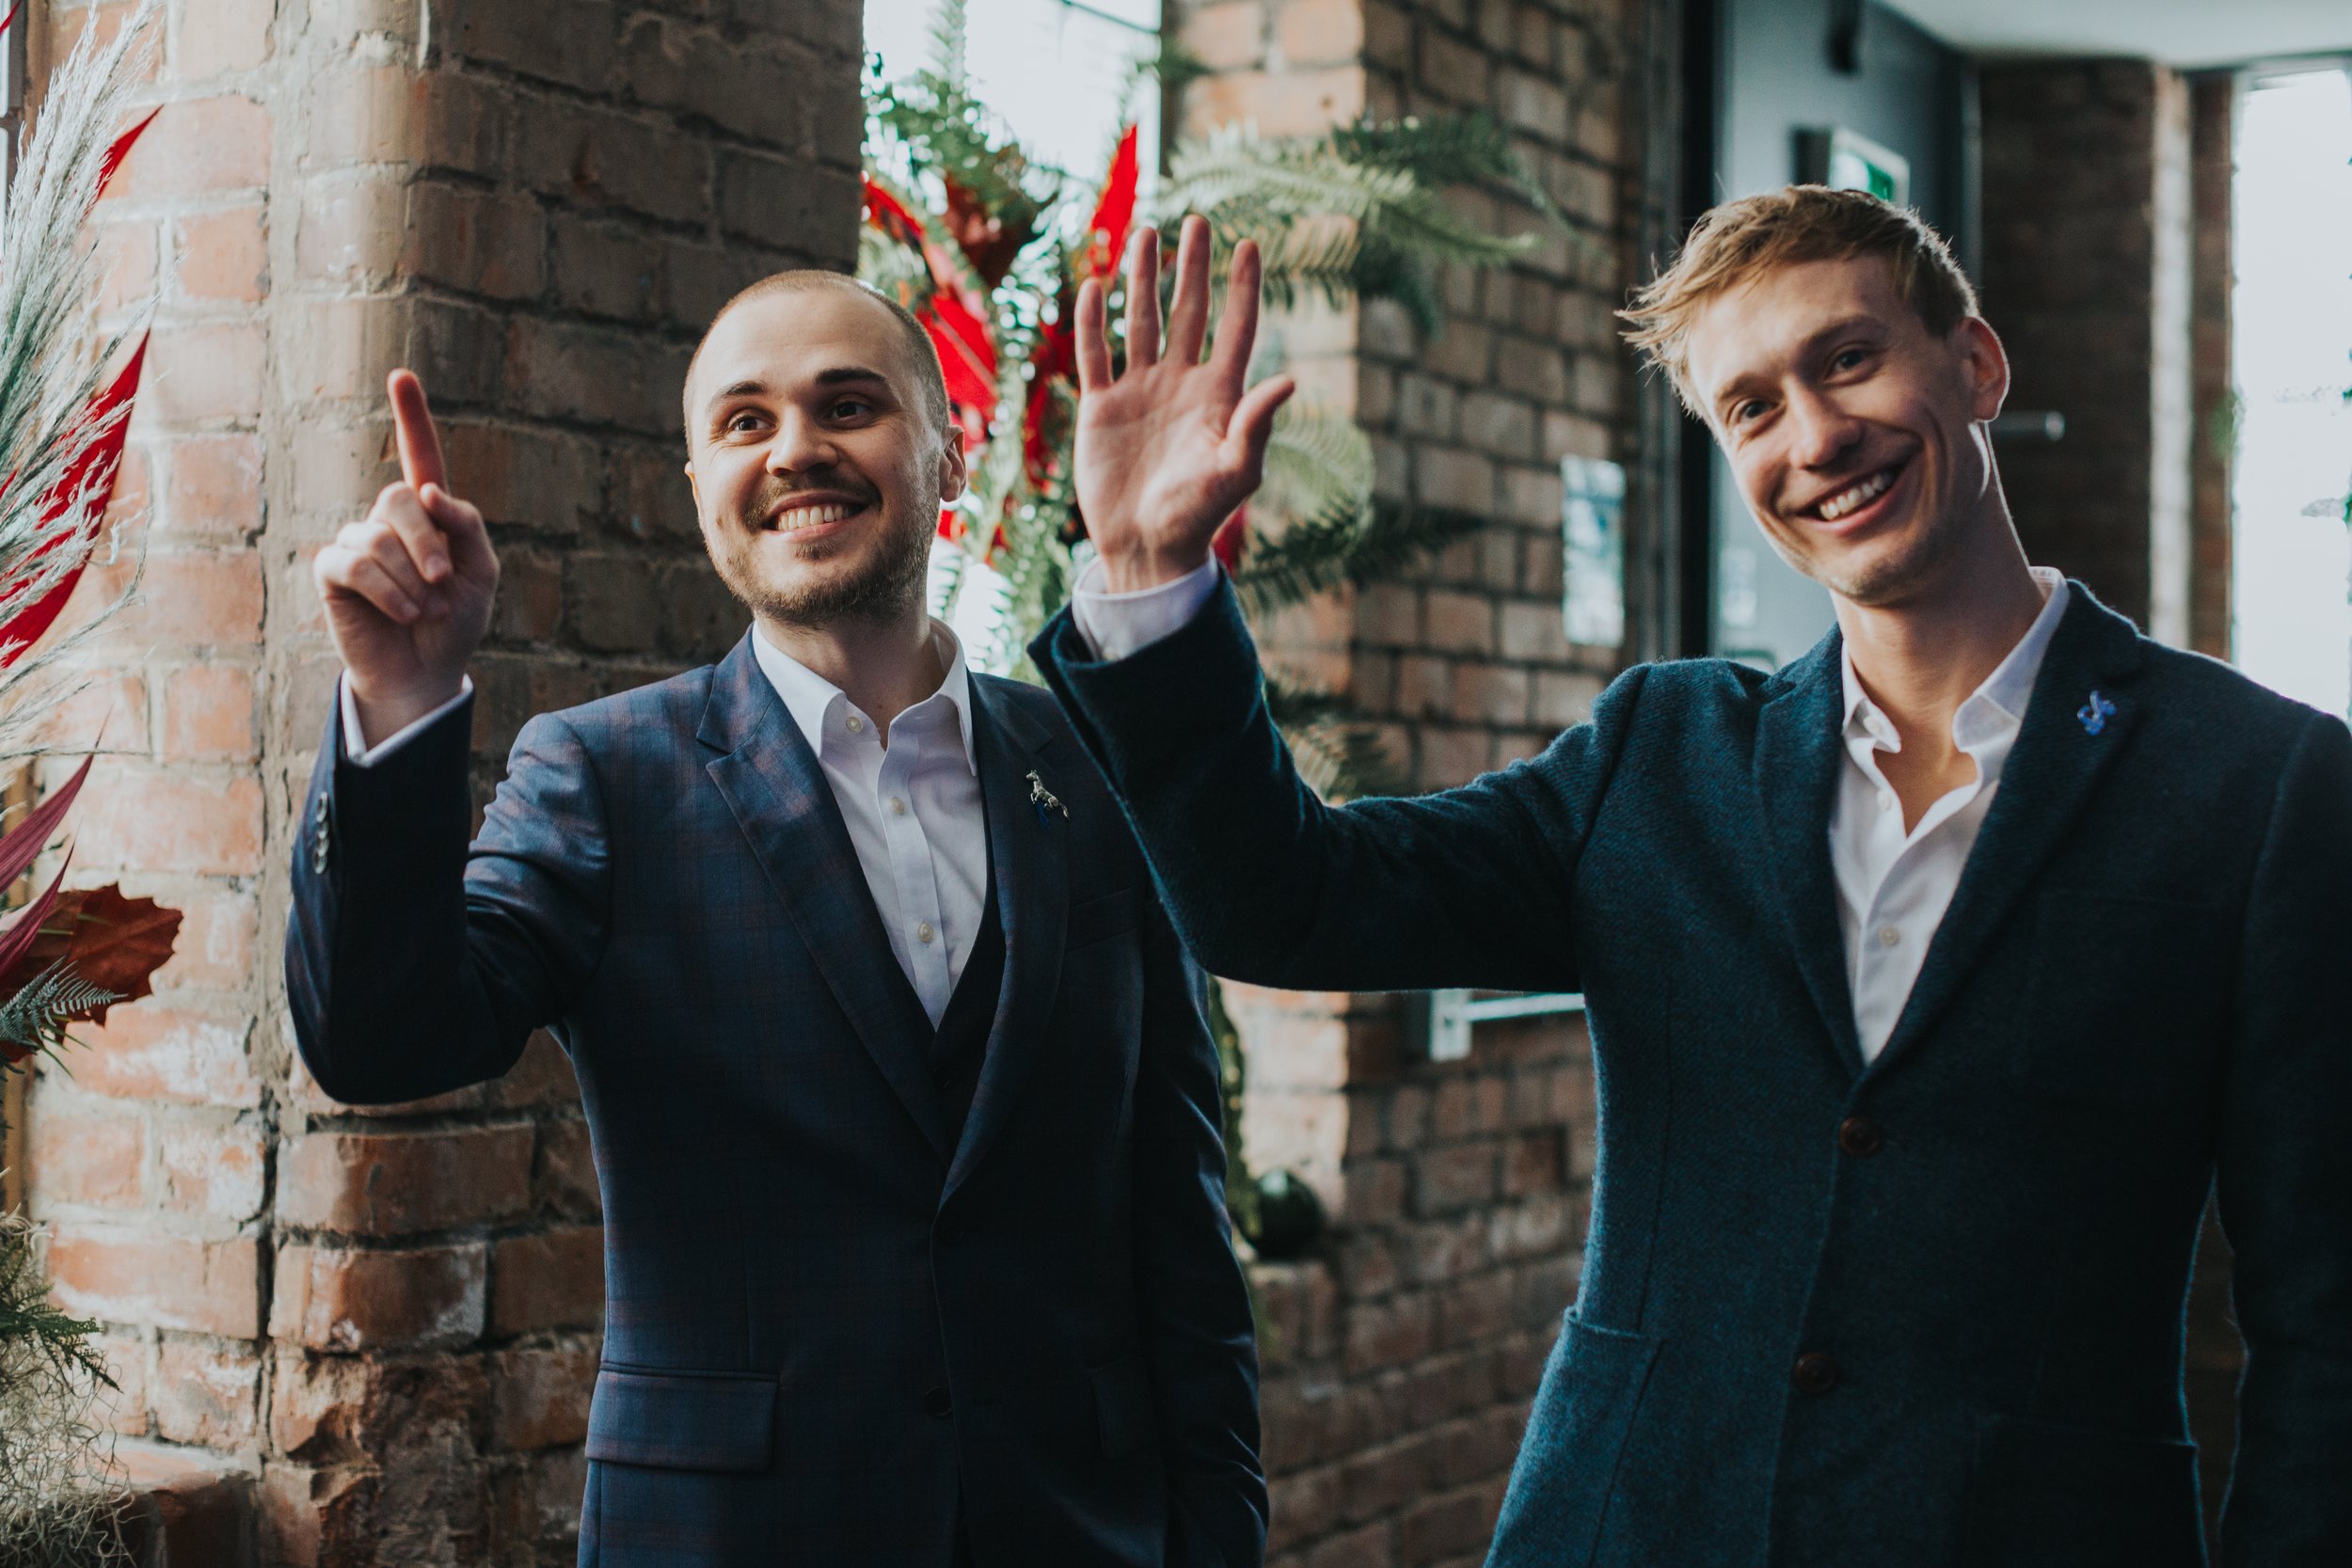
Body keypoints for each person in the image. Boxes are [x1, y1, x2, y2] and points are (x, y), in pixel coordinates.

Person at [1029, 193, 2352, 1566]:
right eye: (1753, 409)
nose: (1818, 436)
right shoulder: (1661, 755)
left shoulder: (2259, 788)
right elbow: (1284, 903)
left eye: (1847, 359)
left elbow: (2329, 1327)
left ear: (1975, 363)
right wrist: (1151, 575)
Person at [285, 274, 1264, 1568]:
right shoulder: (604, 775)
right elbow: (381, 1040)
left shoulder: (1093, 769)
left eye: (846, 405)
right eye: (744, 422)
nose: (795, 447)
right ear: (701, 486)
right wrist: (401, 699)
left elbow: (1178, 1225)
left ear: (947, 448)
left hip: (1077, 1532)